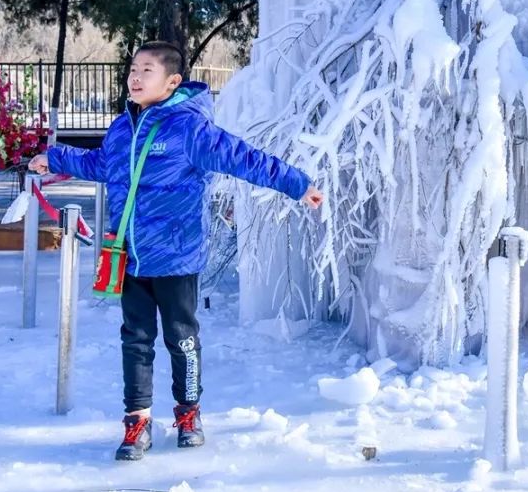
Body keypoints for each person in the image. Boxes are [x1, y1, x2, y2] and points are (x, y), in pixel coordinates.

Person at [28, 41, 323, 461]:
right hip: (129, 255)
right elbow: (101, 166)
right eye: (133, 68)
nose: (135, 76)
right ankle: (137, 421)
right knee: (135, 339)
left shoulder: (190, 130)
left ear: (172, 82)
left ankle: (189, 414)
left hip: (177, 256)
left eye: (146, 70)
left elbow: (245, 159)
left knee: (181, 338)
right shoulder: (121, 129)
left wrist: (298, 184)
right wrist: (54, 158)